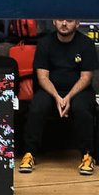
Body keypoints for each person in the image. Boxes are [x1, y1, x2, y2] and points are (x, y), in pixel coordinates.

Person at [19, 19, 98, 177]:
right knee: (37, 107)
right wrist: (57, 97)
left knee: (81, 108)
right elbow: (42, 77)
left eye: (69, 21)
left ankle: (87, 155)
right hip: (50, 90)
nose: (64, 24)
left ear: (77, 24)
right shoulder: (44, 43)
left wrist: (68, 97)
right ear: (54, 22)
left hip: (79, 90)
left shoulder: (86, 44)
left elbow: (86, 78)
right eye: (60, 20)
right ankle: (29, 153)